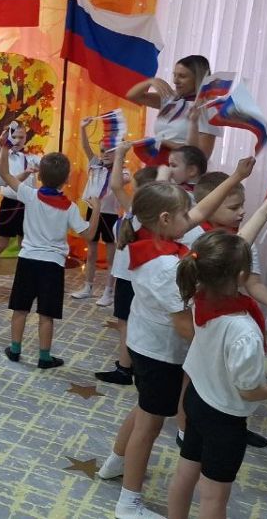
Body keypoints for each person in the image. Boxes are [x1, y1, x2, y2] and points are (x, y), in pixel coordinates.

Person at [96, 159, 254, 519]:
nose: (192, 219)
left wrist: (236, 177)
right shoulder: (165, 267)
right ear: (166, 219)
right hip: (160, 353)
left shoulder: (149, 233)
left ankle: (115, 462)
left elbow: (199, 211)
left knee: (144, 410)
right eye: (185, 215)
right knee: (150, 424)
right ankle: (128, 502)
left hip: (145, 344)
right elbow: (185, 327)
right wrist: (222, 348)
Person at [167, 225, 267, 519]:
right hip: (224, 419)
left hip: (196, 398)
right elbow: (248, 389)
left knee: (185, 472)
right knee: (214, 497)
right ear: (242, 276)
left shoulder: (199, 297)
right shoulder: (243, 331)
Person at [190, 171, 267, 448]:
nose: (241, 212)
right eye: (233, 207)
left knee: (235, 371)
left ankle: (234, 417)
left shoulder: (241, 244)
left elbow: (252, 281)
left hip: (227, 317)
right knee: (203, 377)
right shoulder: (197, 239)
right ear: (210, 206)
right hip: (205, 318)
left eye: (243, 205)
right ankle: (192, 429)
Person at [0, 117, 100, 370]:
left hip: (28, 260)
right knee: (46, 314)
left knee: (20, 309)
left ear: (39, 175)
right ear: (66, 179)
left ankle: (15, 350)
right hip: (53, 265)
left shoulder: (30, 195)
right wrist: (96, 209)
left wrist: (5, 147)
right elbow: (88, 234)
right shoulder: (70, 207)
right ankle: (44, 357)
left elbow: (4, 174)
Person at [94, 144, 158, 386]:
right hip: (128, 276)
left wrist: (120, 155)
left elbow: (116, 185)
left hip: (131, 277)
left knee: (126, 321)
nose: (132, 190)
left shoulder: (142, 215)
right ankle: (131, 364)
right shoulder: (141, 213)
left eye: (137, 187)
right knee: (129, 321)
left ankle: (125, 368)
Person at [0, 122, 38, 292]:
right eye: (14, 137)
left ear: (26, 138)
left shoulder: (33, 158)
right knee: (1, 243)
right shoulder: (2, 155)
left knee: (25, 244)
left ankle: (24, 279)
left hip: (28, 205)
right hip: (10, 205)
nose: (17, 140)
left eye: (21, 137)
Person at [71, 117, 125, 304]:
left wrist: (120, 158)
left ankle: (109, 291)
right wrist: (82, 128)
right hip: (93, 211)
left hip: (110, 215)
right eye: (103, 150)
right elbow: (86, 147)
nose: (106, 154)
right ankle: (88, 286)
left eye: (111, 151)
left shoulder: (122, 171)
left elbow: (123, 180)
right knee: (91, 251)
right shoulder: (94, 163)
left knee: (111, 255)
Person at [125, 55, 220, 159]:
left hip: (184, 166)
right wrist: (150, 81)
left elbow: (203, 155)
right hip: (157, 163)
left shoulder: (209, 108)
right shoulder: (171, 98)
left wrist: (163, 142)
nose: (175, 81)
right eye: (174, 75)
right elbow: (132, 96)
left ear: (198, 79)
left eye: (182, 76)